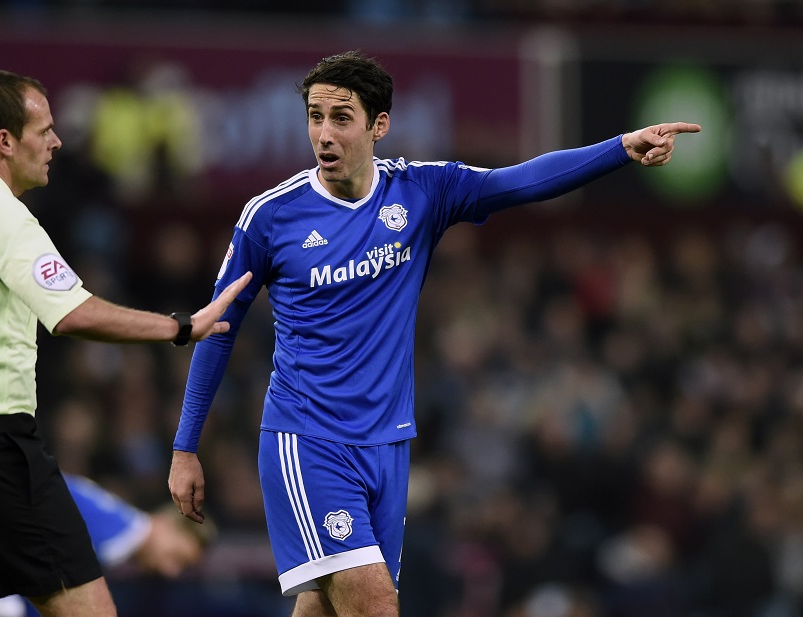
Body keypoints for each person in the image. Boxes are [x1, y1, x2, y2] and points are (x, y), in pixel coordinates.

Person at [167, 50, 700, 617]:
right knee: (375, 606)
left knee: (324, 609)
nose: (324, 133)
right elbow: (217, 326)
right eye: (315, 116)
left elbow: (520, 182)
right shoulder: (271, 217)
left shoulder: (421, 193)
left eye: (341, 118)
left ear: (379, 125)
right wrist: (185, 446)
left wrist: (619, 149)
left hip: (387, 444)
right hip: (309, 439)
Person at [0, 69, 251, 617]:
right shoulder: (0, 211)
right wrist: (181, 327)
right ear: (4, 141)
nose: (56, 142)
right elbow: (73, 313)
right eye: (43, 130)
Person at [0, 473, 215, 617]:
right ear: (166, 524)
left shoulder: (114, 526)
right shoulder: (109, 534)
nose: (170, 571)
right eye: (177, 557)